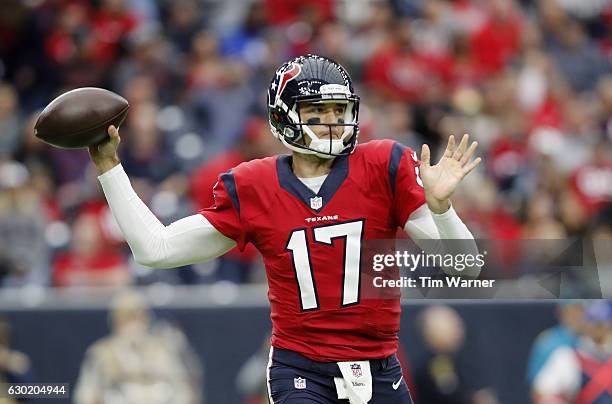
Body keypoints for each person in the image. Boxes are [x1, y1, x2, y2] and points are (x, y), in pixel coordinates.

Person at [88, 54, 481, 403]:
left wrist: (441, 208)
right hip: (302, 371)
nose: (331, 123)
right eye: (316, 112)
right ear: (283, 117)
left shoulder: (383, 165)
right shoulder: (255, 185)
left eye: (337, 110)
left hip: (378, 367)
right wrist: (109, 167)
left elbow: (466, 267)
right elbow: (155, 248)